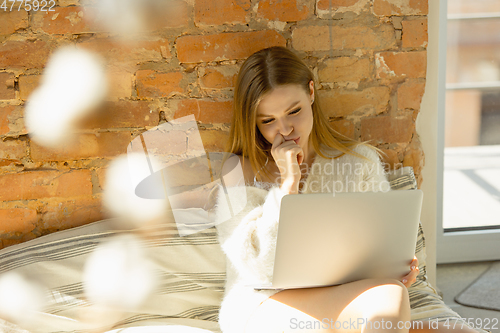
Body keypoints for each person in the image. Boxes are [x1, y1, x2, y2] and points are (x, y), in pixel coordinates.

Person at [213, 46, 479, 333]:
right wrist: (287, 185)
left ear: (311, 93)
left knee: (451, 326)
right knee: (388, 297)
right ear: (253, 122)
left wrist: (397, 267)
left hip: (346, 300)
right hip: (262, 304)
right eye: (268, 121)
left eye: (294, 111)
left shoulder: (359, 161)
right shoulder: (238, 170)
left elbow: (381, 249)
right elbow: (259, 268)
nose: (286, 129)